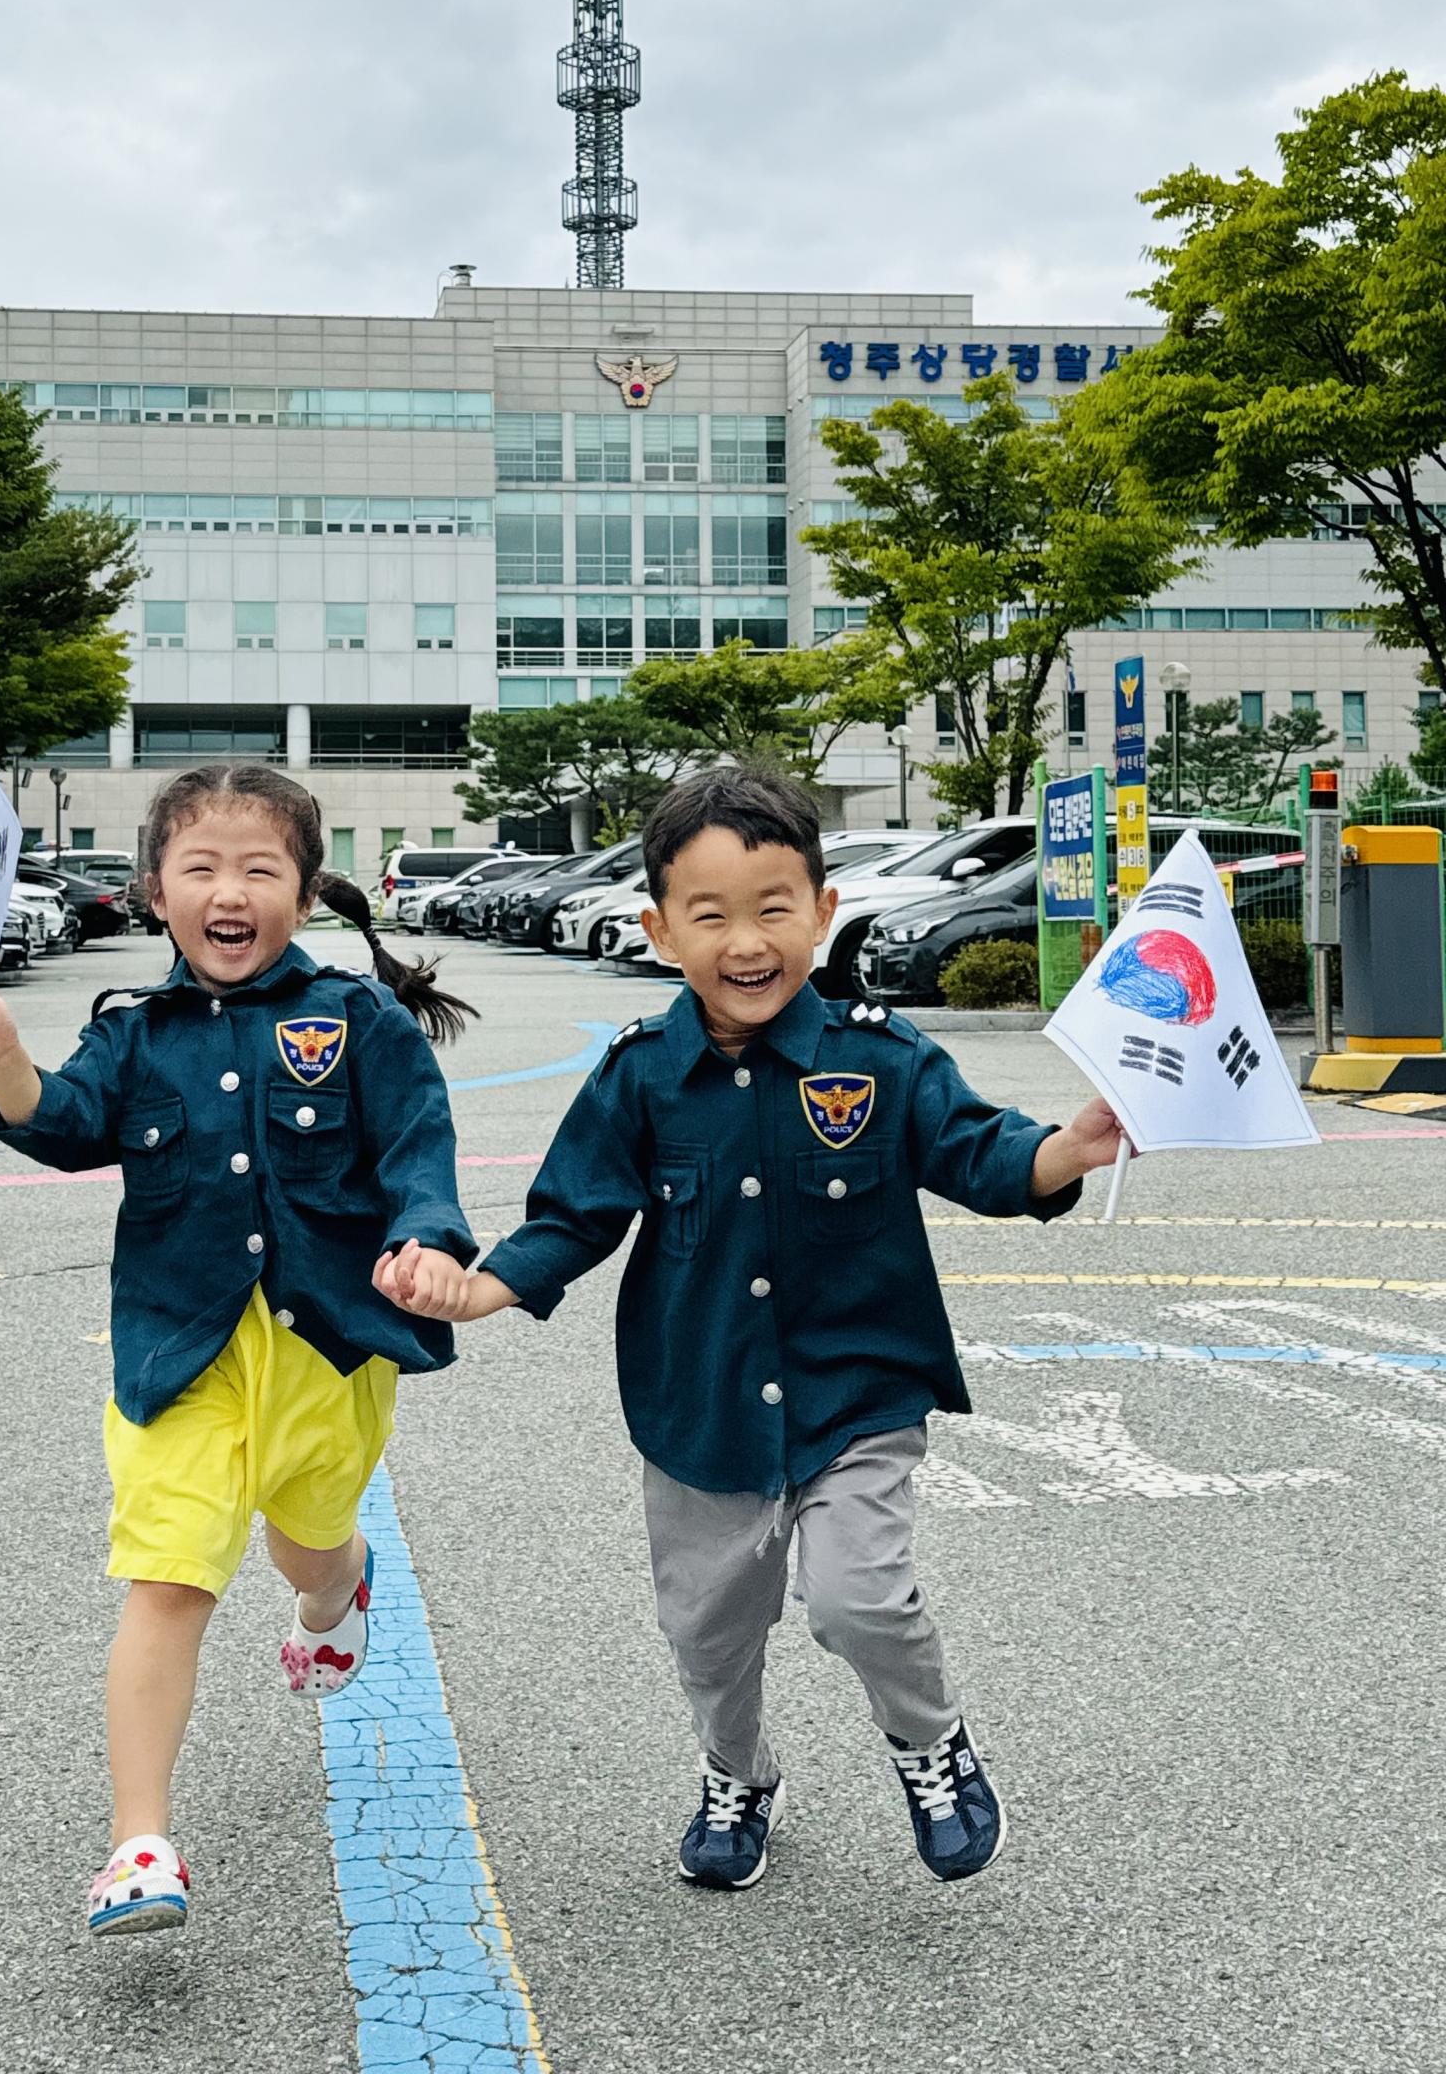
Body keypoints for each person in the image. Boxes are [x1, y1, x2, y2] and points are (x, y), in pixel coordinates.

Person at [379, 762, 1123, 1895]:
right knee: (707, 1635)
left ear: (823, 912)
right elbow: (574, 1213)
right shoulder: (641, 1075)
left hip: (856, 1395)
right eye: (711, 915)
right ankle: (738, 1773)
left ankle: (931, 1744)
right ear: (659, 930)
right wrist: (481, 1291)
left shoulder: (880, 1056)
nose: (747, 942)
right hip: (701, 1405)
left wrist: (1065, 1151)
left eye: (774, 909)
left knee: (860, 1597)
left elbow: (979, 1151)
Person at [0, 761, 476, 1940]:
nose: (229, 892)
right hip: (179, 1354)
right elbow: (64, 1123)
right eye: (201, 868)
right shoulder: (132, 1032)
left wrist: (426, 1241)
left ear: (305, 892)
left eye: (259, 869)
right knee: (170, 1577)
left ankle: (334, 1592)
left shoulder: (358, 1019)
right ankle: (139, 1842)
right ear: (155, 891)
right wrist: (4, 1056)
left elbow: (417, 1148)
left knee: (309, 1541)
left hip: (327, 1349)